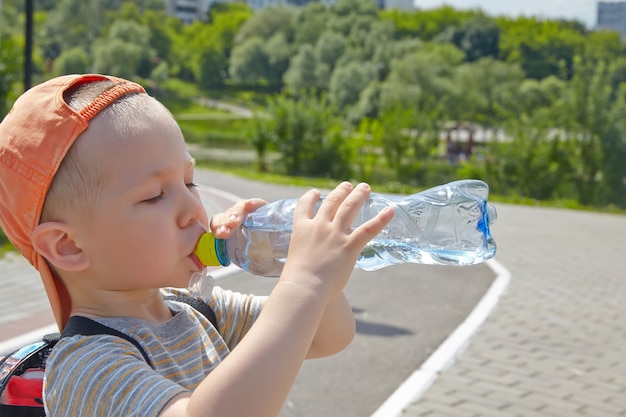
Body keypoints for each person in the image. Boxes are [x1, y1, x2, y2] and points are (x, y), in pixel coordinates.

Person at [0, 74, 395, 417]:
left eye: (189, 182)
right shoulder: (84, 366)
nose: (193, 209)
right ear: (68, 246)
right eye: (154, 195)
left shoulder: (201, 310)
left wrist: (287, 261)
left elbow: (327, 336)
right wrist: (304, 284)